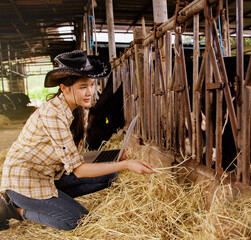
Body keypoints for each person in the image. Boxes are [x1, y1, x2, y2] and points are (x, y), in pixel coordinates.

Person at [0, 50, 154, 231]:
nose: (90, 92)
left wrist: (112, 157)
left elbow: (75, 158)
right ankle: (14, 209)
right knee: (78, 221)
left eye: (92, 84)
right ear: (64, 88)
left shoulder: (80, 108)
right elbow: (79, 171)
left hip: (51, 174)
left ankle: (51, 202)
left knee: (109, 176)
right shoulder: (53, 114)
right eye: (83, 87)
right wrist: (126, 165)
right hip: (25, 181)